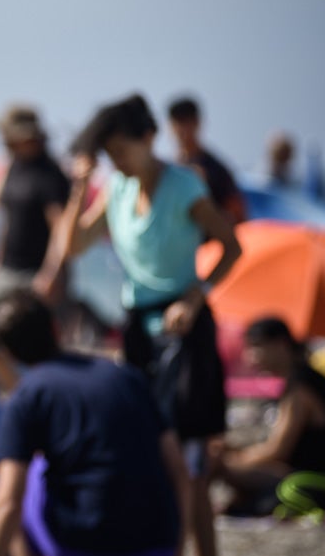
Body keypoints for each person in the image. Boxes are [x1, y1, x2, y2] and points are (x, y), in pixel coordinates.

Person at [55, 93, 242, 556]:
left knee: (192, 463)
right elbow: (74, 247)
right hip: (139, 327)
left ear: (149, 138)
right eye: (110, 155)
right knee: (154, 453)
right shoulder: (116, 186)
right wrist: (80, 188)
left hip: (186, 322)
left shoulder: (185, 186)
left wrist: (197, 295)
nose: (116, 161)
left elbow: (230, 246)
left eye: (122, 151)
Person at [0, 288, 188, 556]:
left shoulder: (28, 395)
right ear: (56, 328)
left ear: (7, 353)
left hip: (85, 541)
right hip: (157, 539)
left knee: (27, 475)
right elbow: (178, 468)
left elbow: (6, 504)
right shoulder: (126, 376)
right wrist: (178, 543)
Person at [0, 104, 71, 389]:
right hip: (7, 270)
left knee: (40, 348)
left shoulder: (51, 175)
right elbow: (7, 218)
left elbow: (60, 230)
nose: (7, 144)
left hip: (37, 276)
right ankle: (17, 395)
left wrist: (52, 274)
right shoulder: (14, 167)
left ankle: (36, 398)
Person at [213, 316, 325, 516]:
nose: (249, 357)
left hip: (313, 480)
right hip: (302, 473)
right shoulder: (299, 381)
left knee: (216, 463)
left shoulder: (301, 389)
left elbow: (276, 451)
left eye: (256, 347)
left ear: (281, 344)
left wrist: (232, 457)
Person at [167, 96, 248, 226]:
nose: (180, 129)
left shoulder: (216, 170)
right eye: (175, 123)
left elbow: (238, 215)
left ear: (197, 123)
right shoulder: (166, 171)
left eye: (185, 122)